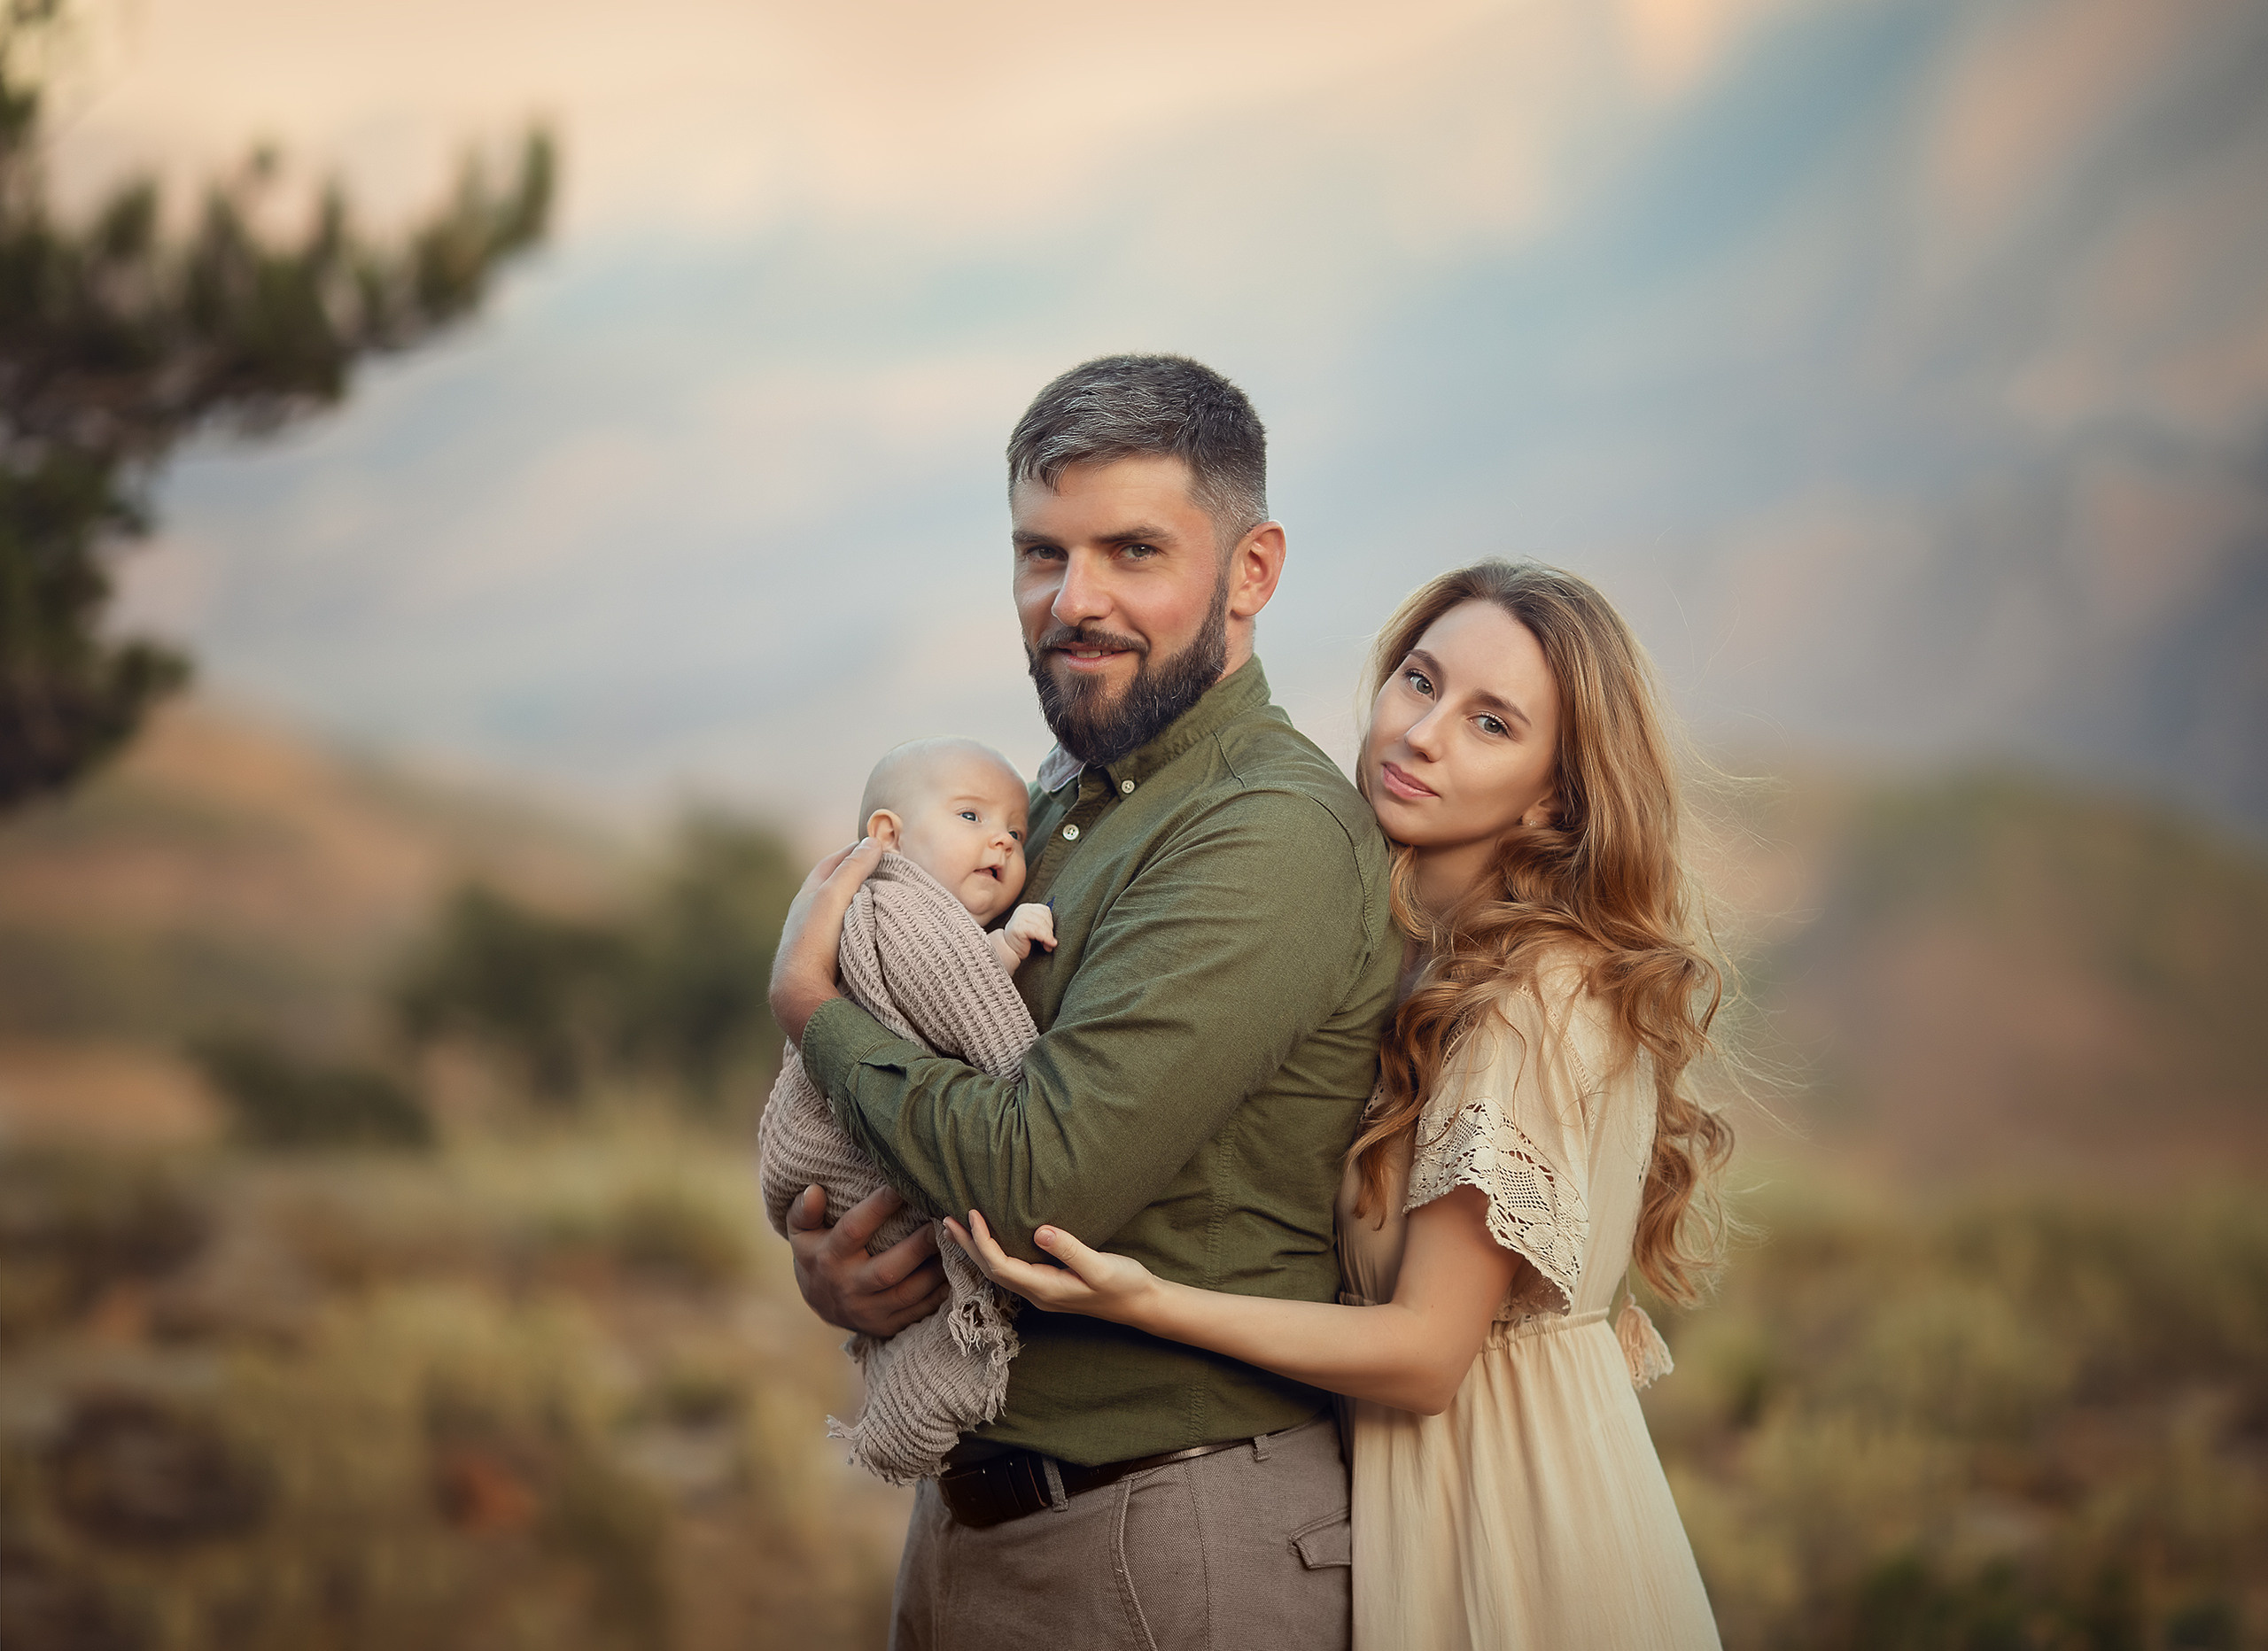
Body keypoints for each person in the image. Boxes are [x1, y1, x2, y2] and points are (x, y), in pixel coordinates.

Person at [952, 560, 1732, 1649]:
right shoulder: (1397, 955)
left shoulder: (1538, 994)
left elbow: (1424, 1355)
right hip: (1392, 1505)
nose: (1421, 733)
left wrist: (1144, 1301)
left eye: (1491, 722)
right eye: (1419, 681)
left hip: (1508, 1525)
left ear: (1555, 790)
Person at [766, 355, 1401, 1651]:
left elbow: (1040, 1178)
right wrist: (847, 1265)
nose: (1075, 600)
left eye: (1132, 551)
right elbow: (936, 1072)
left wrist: (811, 1007)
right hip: (976, 1523)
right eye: (1040, 554)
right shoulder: (1057, 799)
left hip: (1172, 1543)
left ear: (1252, 570)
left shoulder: (1263, 831)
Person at [755, 737, 1053, 1484]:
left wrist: (1004, 947)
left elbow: (937, 996)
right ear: (887, 837)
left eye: (1016, 833)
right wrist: (1035, 1101)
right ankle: (919, 1404)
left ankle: (904, 1408)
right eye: (970, 815)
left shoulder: (925, 922)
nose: (1001, 840)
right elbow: (968, 1017)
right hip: (846, 1158)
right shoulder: (894, 905)